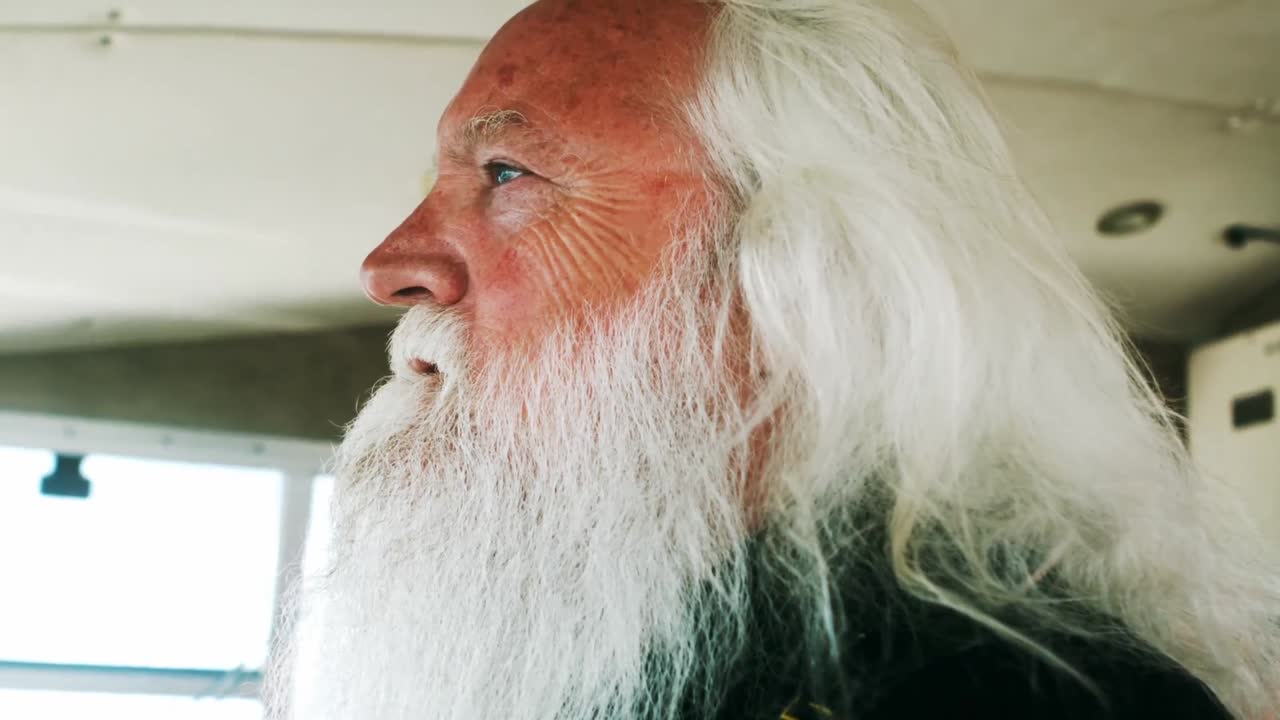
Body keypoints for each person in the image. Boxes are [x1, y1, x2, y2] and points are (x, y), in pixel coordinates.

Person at [266, 1, 1280, 718]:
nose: (389, 264)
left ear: (798, 279)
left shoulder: (1024, 699)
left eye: (506, 172)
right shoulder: (597, 646)